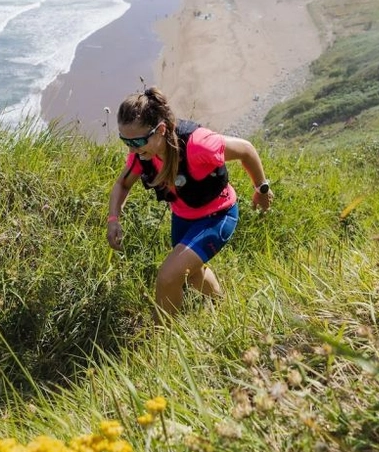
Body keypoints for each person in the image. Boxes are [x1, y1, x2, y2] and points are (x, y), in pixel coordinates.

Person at [106, 87, 273, 318]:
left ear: (160, 130)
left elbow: (246, 150)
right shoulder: (142, 153)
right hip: (184, 217)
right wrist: (113, 219)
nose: (131, 149)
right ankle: (221, 308)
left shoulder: (198, 144)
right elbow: (122, 185)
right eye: (125, 141)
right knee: (191, 273)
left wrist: (261, 189)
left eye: (137, 142)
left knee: (167, 276)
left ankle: (161, 339)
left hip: (218, 215)